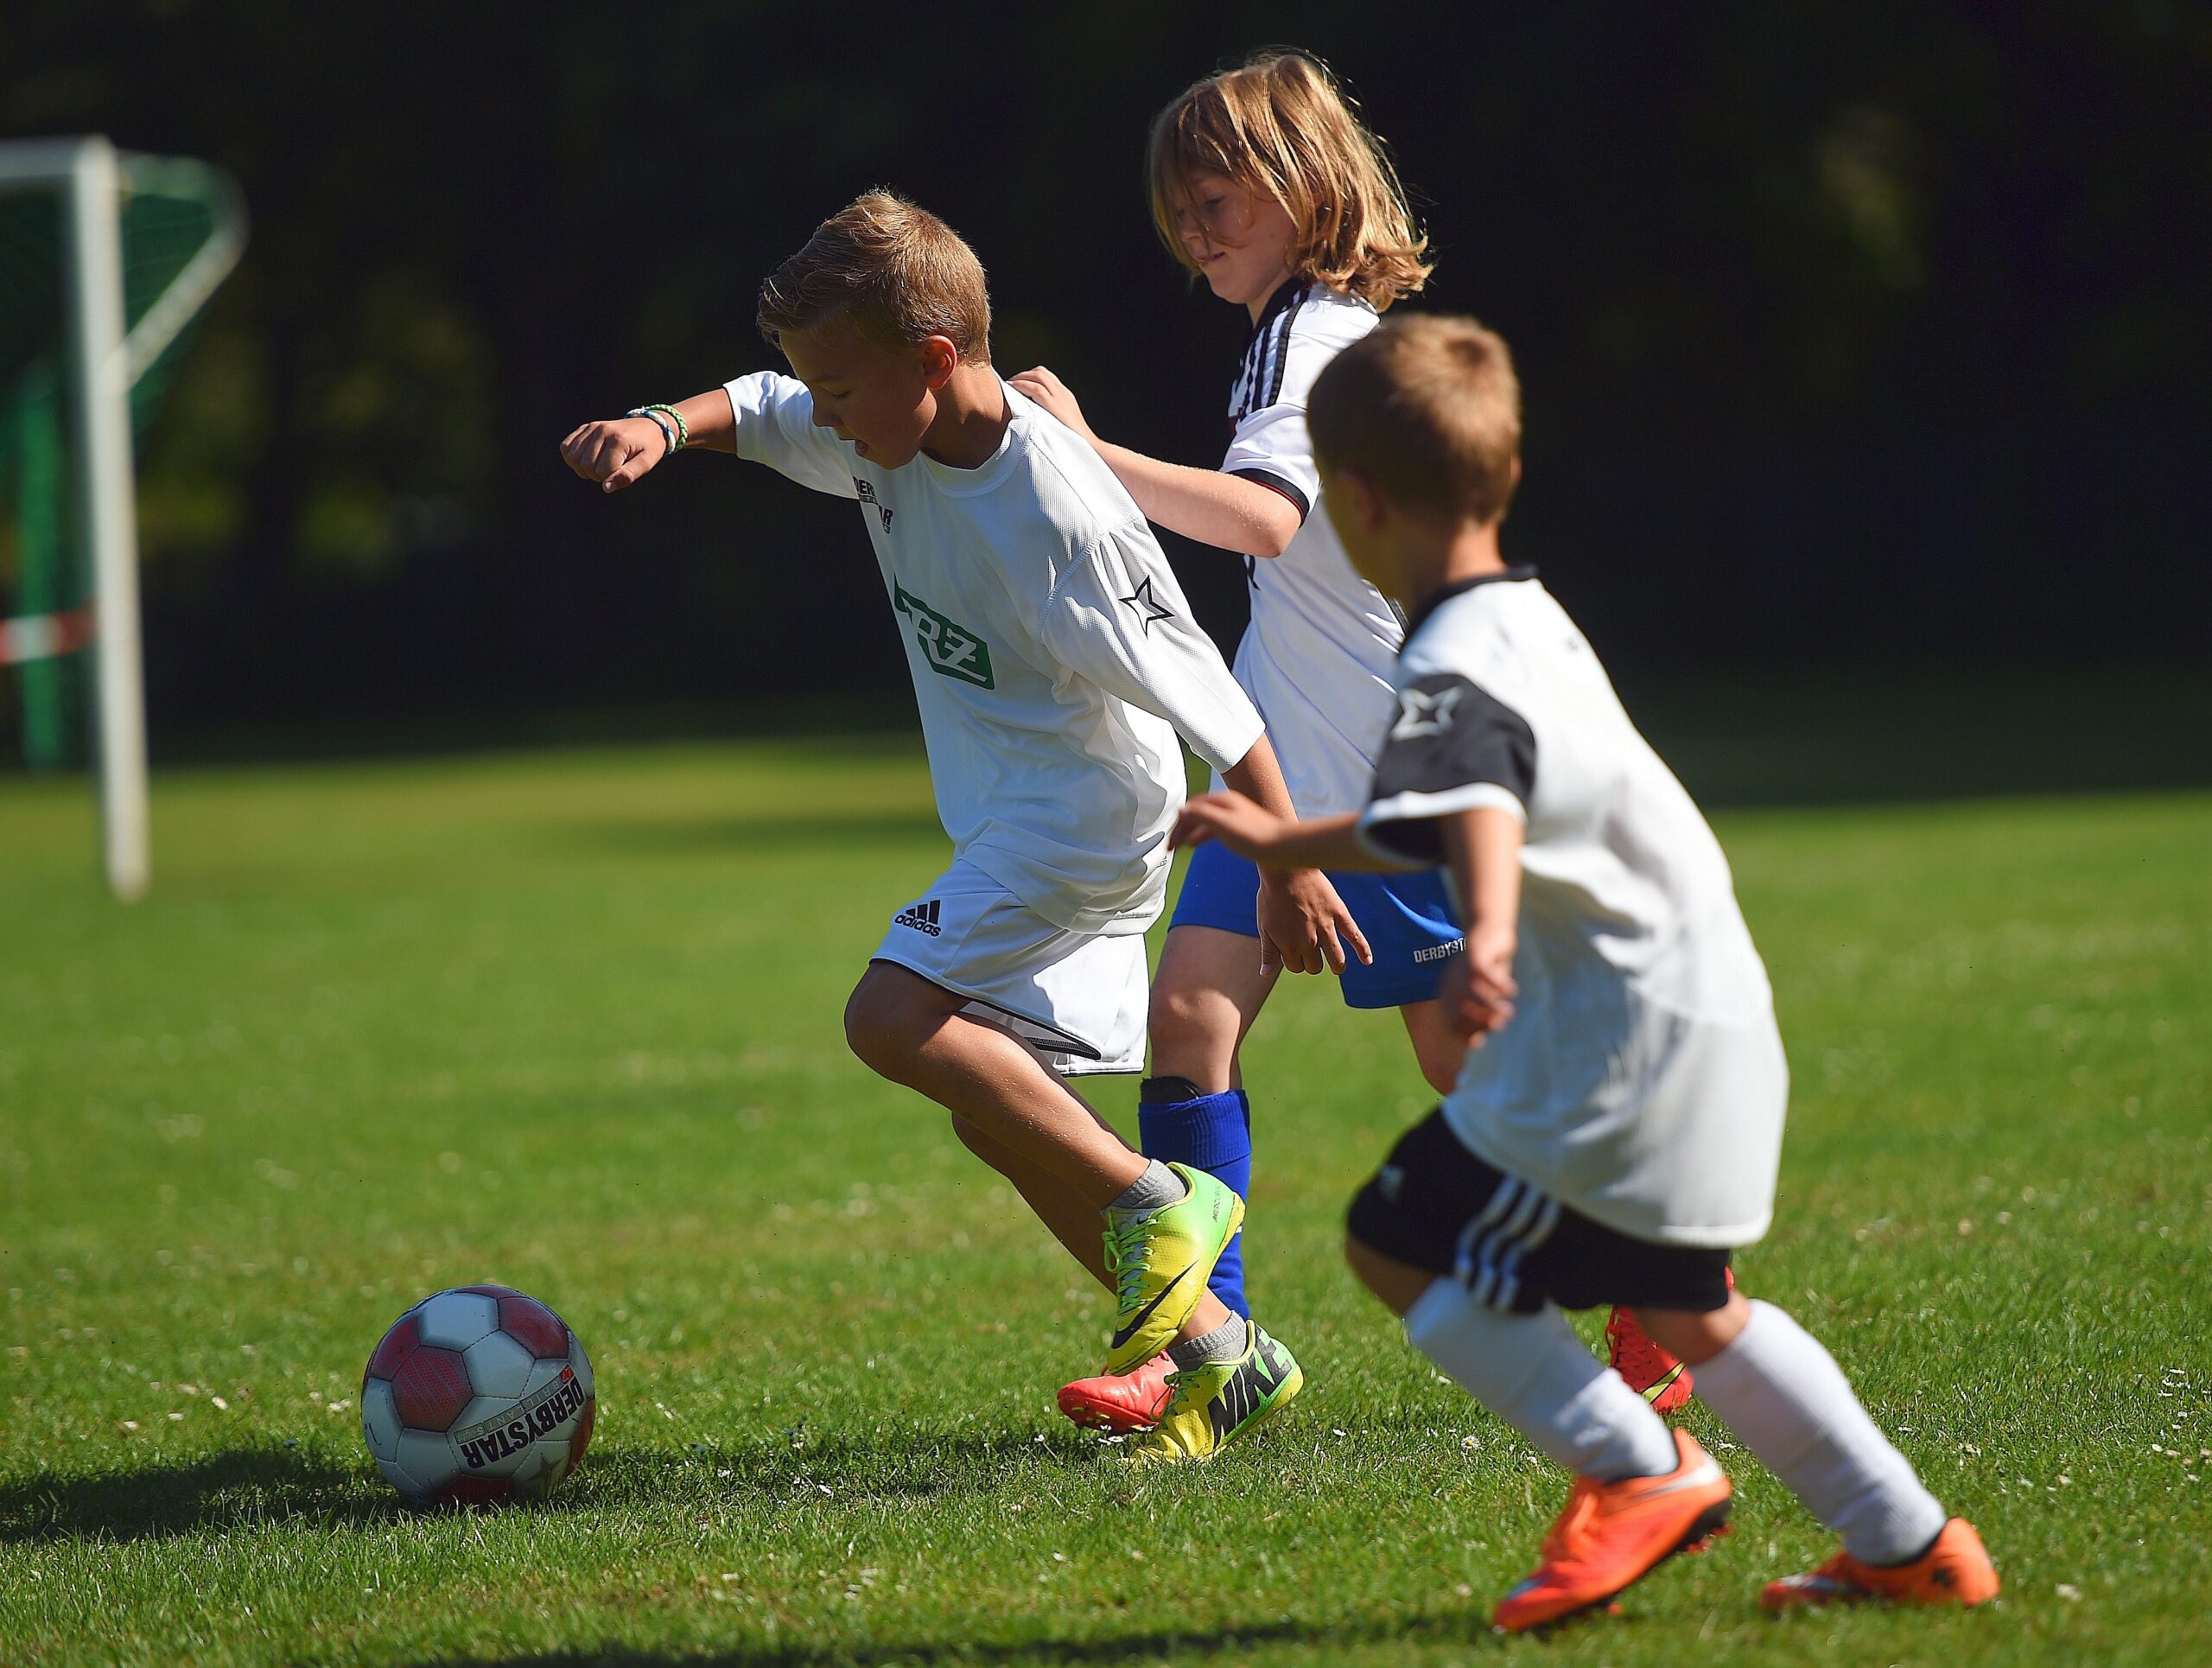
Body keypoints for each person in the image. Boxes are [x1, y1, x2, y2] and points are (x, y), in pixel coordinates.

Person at [1171, 313, 2000, 1627]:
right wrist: (1290, 838)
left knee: (1404, 1239)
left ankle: (1639, 1468)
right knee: (1692, 1304)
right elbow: (1445, 804)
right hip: (1709, 1016)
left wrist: (1487, 934)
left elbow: (1479, 808)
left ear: (1362, 503)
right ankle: (1911, 1539)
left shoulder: (1445, 657)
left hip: (1615, 1045)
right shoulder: (1522, 619)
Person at [1015, 49, 1690, 1446]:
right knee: (1192, 1025)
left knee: (1463, 1061)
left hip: (1388, 770)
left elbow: (1262, 521)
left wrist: (1081, 451)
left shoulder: (1304, 336)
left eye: (1221, 198)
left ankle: (1652, 1272)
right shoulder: (1314, 336)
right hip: (1281, 756)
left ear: (1306, 186)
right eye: (1181, 211)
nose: (1197, 230)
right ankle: (1213, 1345)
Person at [559, 191, 1308, 1448]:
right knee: (993, 1106)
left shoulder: (1055, 513)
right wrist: (657, 426)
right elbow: (758, 405)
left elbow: (1212, 696)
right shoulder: (880, 424)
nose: (825, 416)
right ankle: (1223, 1354)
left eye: (840, 391)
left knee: (889, 1015)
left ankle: (1163, 1200)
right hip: (1020, 817)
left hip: (1077, 819)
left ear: (937, 361)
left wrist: (1285, 862)